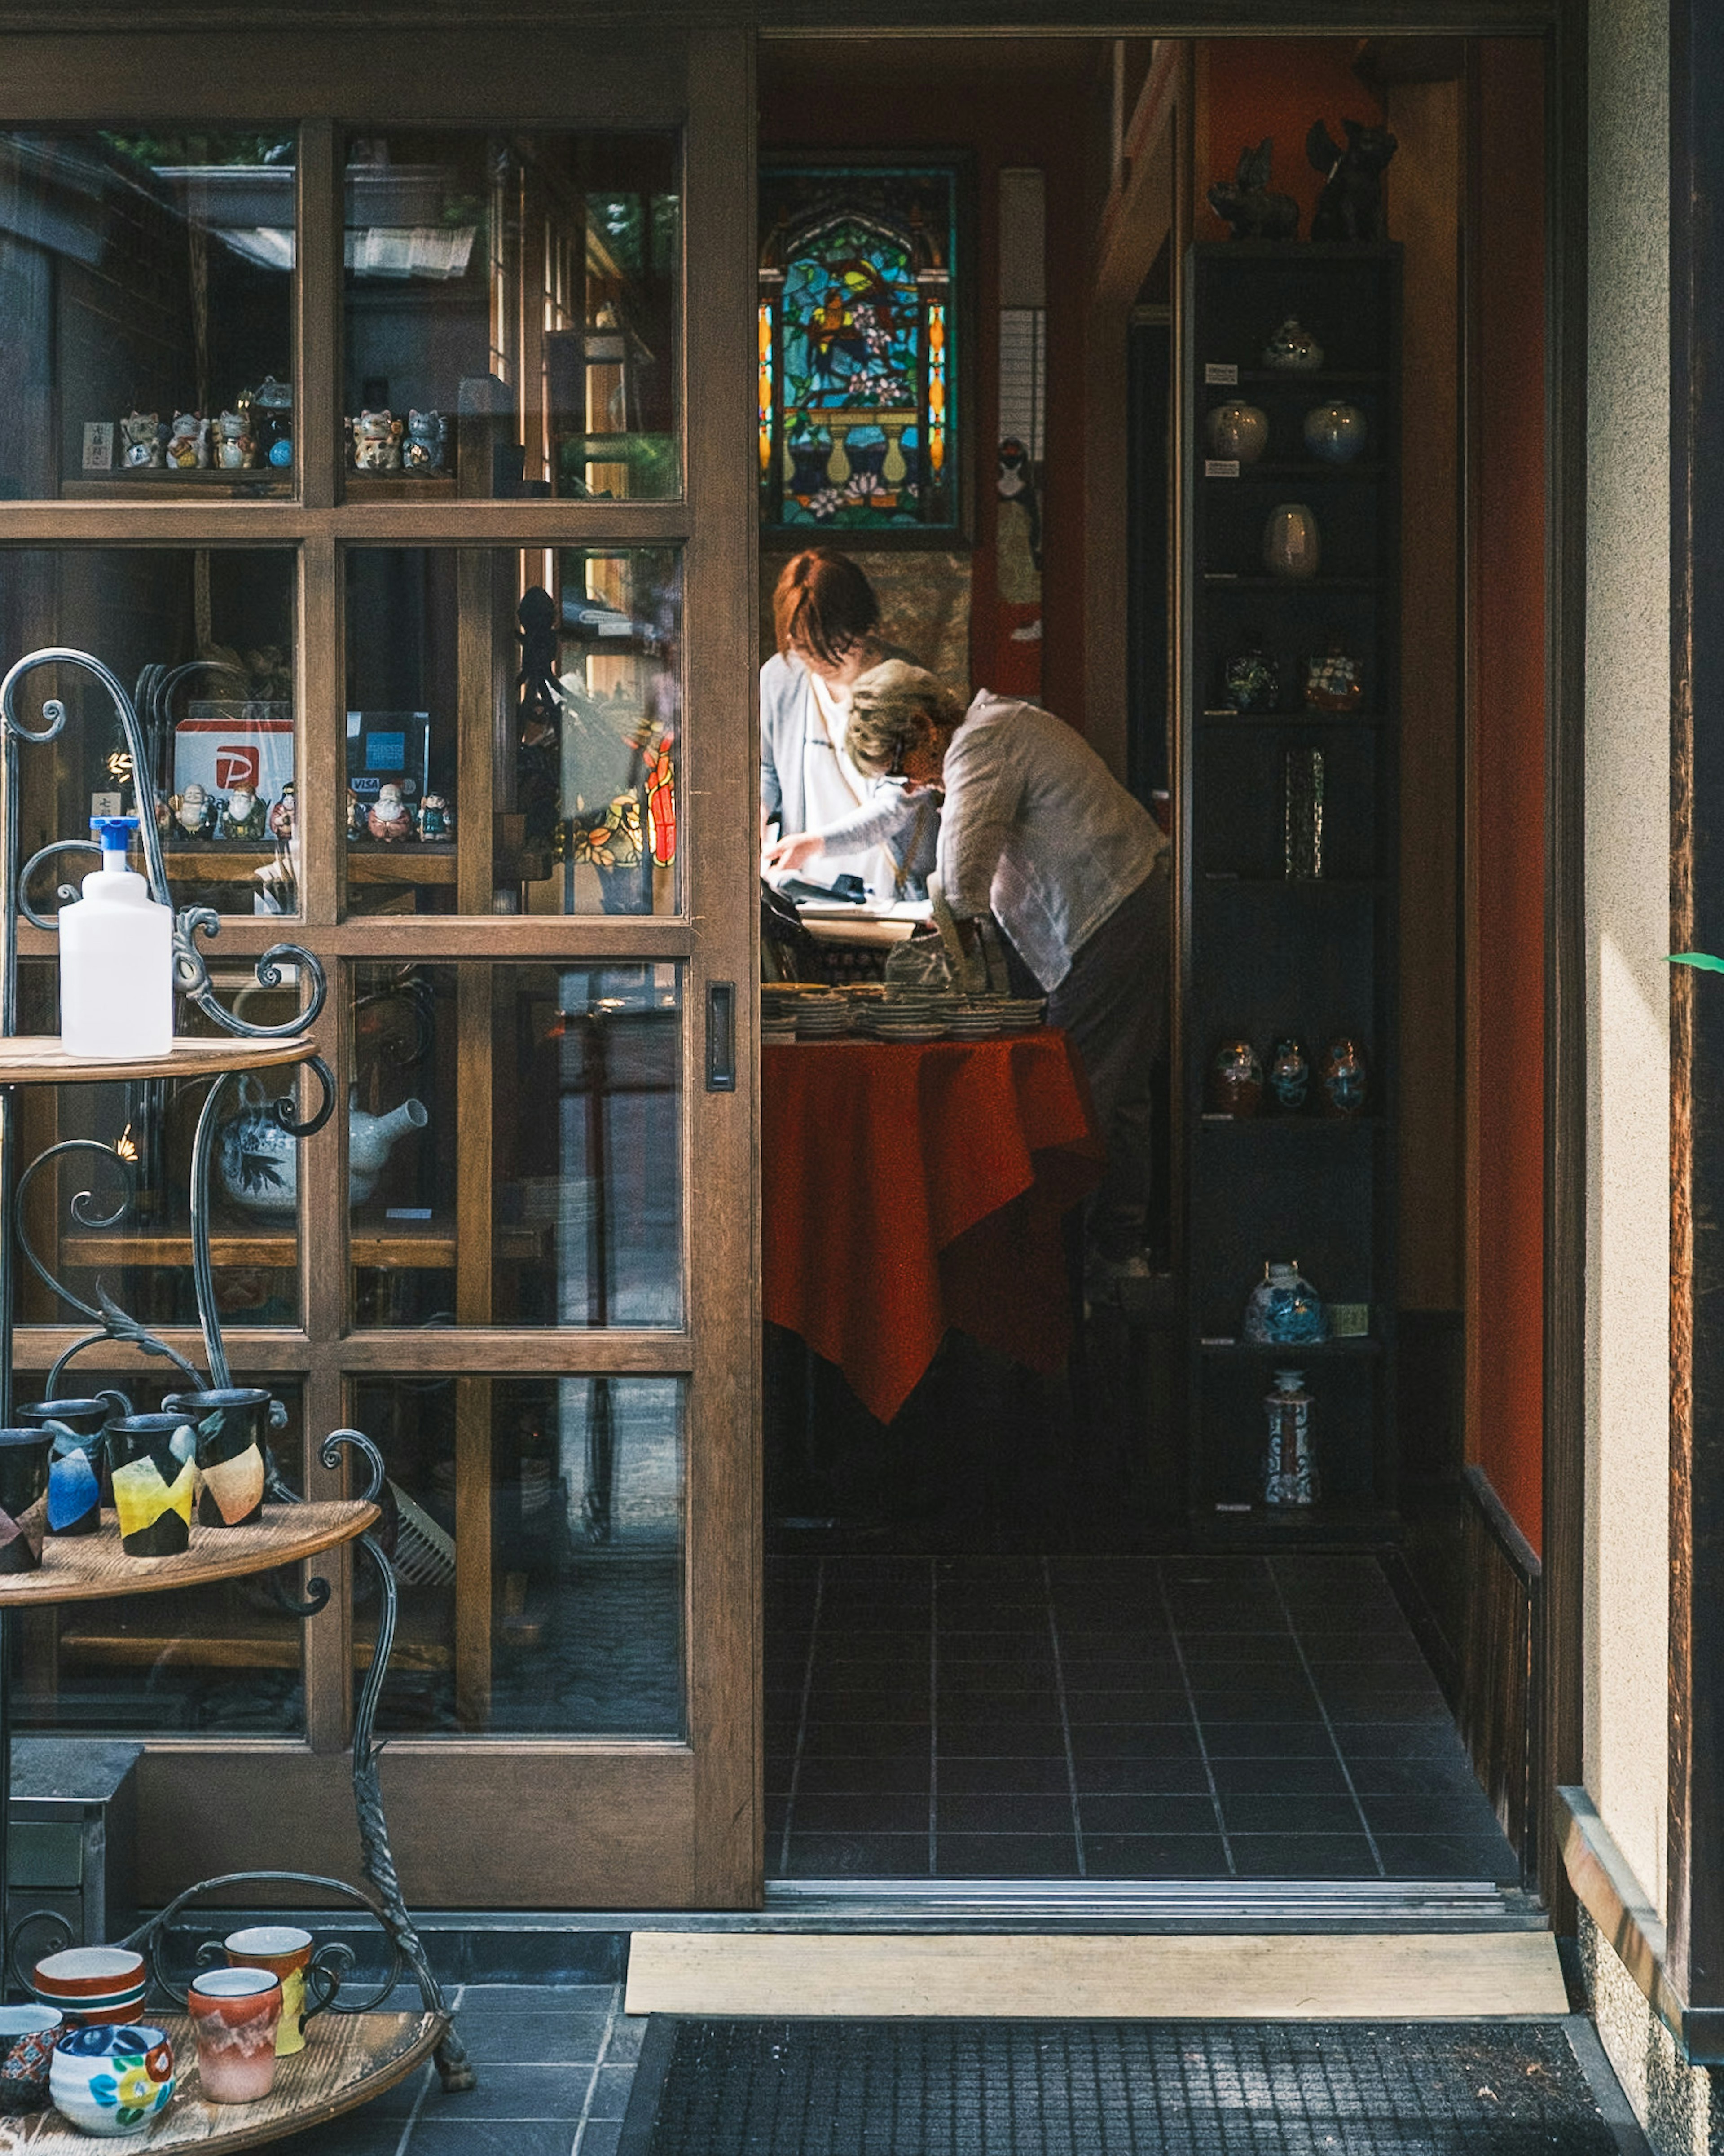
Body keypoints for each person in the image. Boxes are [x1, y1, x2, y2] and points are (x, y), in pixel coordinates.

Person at [845, 659, 1169, 1277]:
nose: (909, 787)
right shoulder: (993, 728)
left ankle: (1061, 1273)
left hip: (1109, 917)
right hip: (1127, 904)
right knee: (1120, 1094)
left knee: (1082, 1094)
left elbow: (961, 880)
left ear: (923, 727)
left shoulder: (981, 745)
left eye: (898, 769)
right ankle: (1118, 1253)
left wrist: (955, 987)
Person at [760, 549, 937, 899]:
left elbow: (898, 802)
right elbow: (767, 771)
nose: (819, 662)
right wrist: (755, 816)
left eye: (834, 647)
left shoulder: (905, 683)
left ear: (864, 627)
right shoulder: (779, 678)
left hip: (895, 889)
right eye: (804, 648)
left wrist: (814, 844)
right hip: (809, 887)